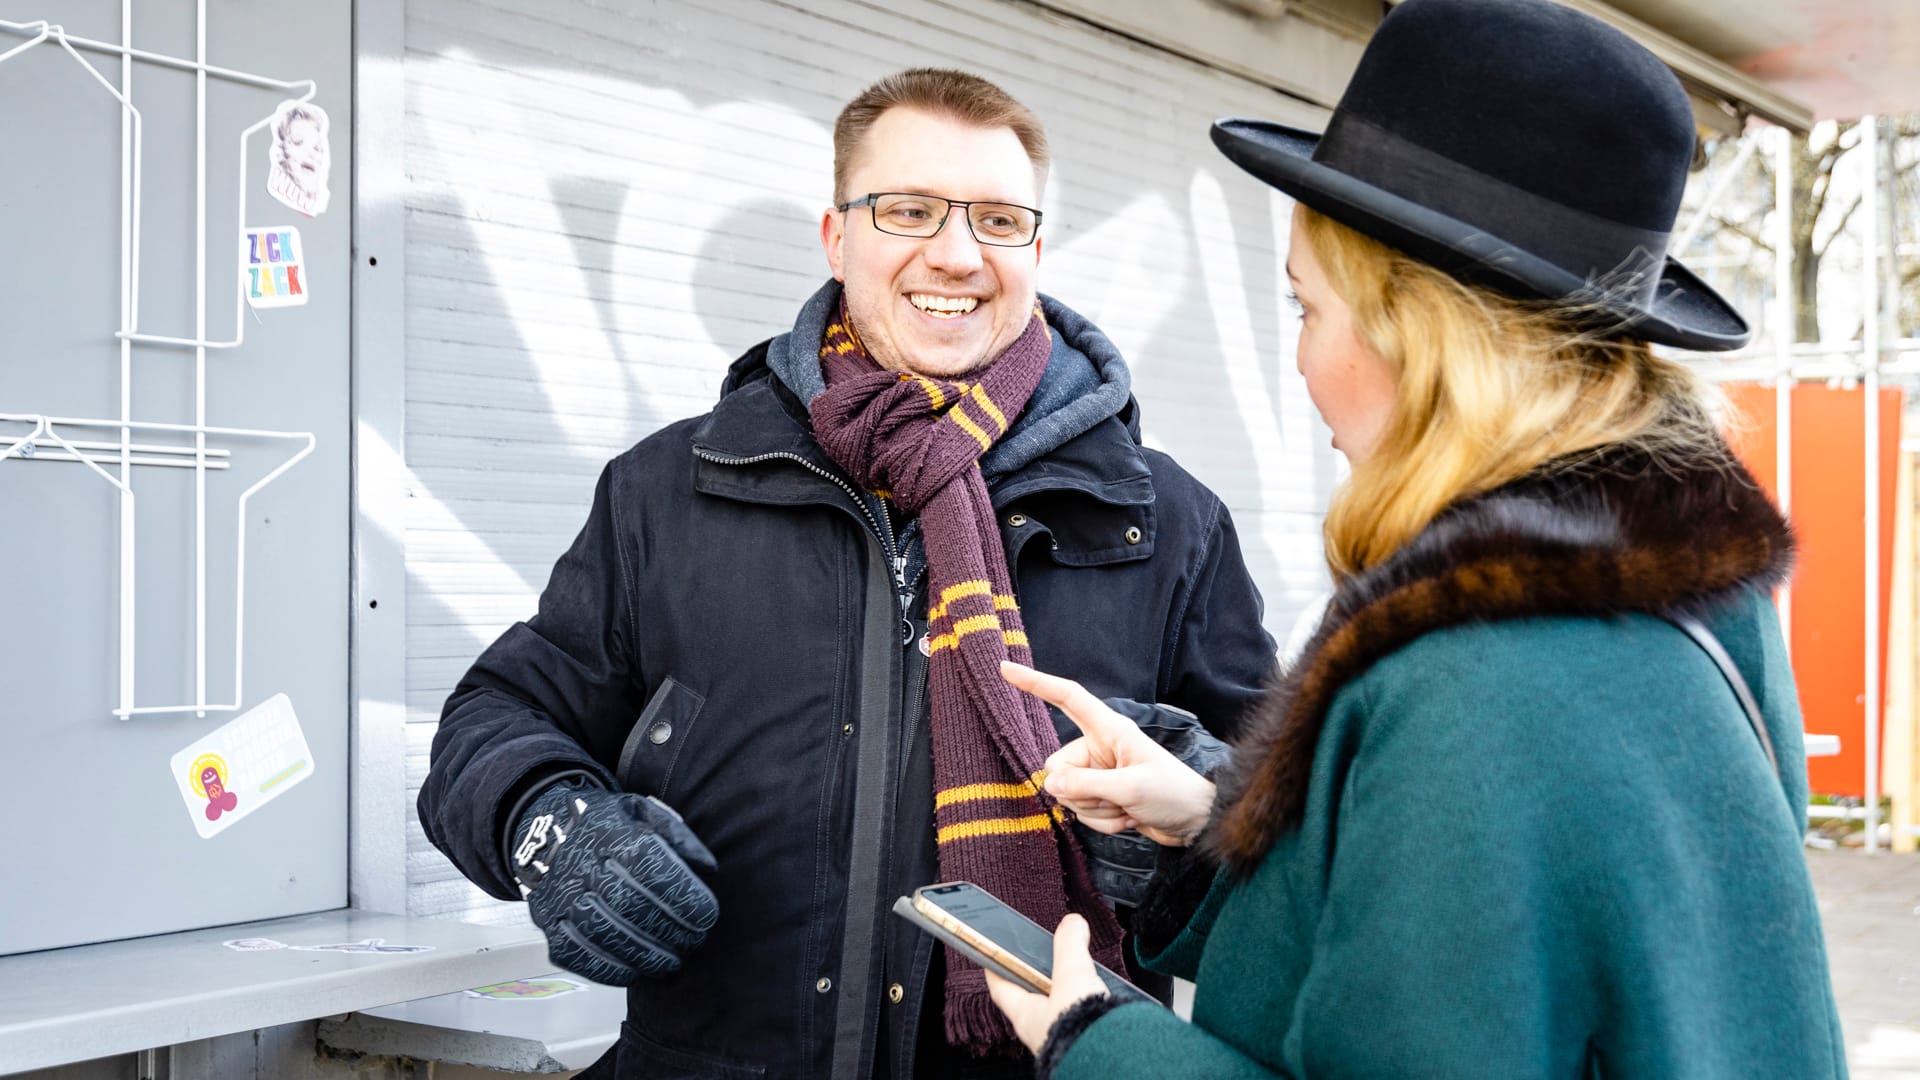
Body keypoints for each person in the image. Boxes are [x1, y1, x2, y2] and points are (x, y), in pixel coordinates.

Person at [985, 1, 1849, 1077]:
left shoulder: (1486, 677)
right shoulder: (1682, 595)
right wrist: (1212, 837)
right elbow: (1515, 956)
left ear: (1417, 337)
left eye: (1307, 308)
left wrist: (1098, 1042)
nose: (1299, 360)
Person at [417, 68, 1277, 1080]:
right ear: (837, 237)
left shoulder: (1162, 522)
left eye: (998, 220)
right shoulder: (672, 488)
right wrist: (552, 829)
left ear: (1036, 252)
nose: (955, 254)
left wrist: (1193, 831)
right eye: (908, 210)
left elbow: (1292, 832)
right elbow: (496, 717)